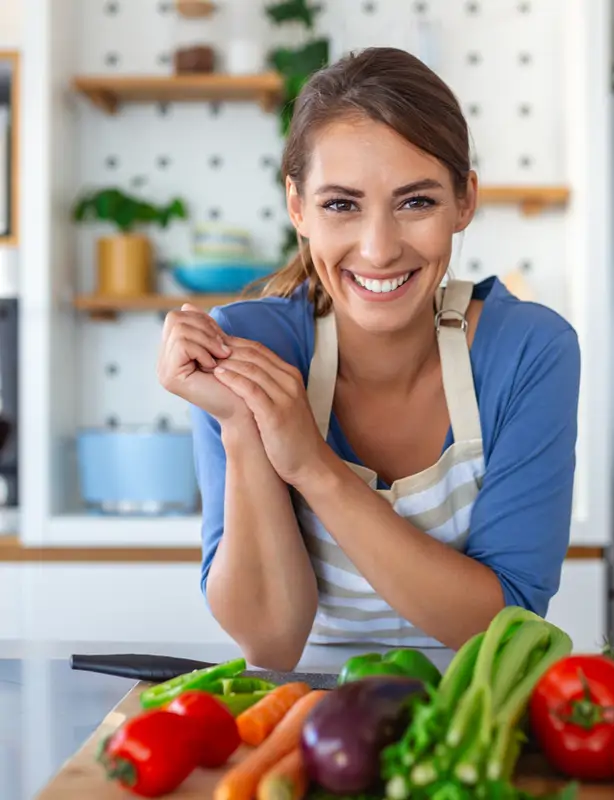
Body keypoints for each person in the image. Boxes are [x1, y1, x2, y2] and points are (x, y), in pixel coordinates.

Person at [157, 46, 580, 670]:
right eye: (340, 204)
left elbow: (504, 624)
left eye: (416, 202)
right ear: (297, 206)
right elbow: (272, 642)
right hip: (303, 721)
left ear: (465, 201)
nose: (379, 249)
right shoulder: (248, 350)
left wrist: (311, 464)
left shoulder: (528, 351)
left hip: (477, 714)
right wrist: (244, 426)